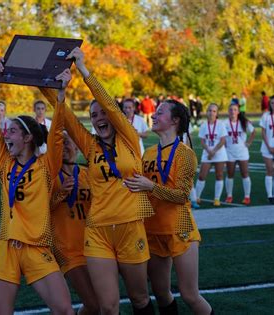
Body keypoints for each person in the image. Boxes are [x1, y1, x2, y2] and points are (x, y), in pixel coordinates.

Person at [38, 47, 155, 314]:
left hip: (130, 227)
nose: (99, 118)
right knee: (107, 306)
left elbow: (111, 106)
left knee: (139, 299)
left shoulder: (129, 140)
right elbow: (66, 118)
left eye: (102, 114)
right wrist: (48, 85)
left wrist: (83, 69)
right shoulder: (90, 147)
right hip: (98, 231)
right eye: (94, 116)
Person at [0, 61, 73, 314]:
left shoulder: (46, 165)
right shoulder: (5, 162)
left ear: (28, 138)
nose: (6, 135)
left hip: (37, 248)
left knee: (65, 310)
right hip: (6, 246)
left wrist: (61, 95)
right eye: (7, 131)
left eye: (12, 131)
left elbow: (56, 133)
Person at [124, 99, 213, 314]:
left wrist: (151, 186)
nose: (153, 116)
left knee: (190, 295)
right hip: (152, 230)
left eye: (160, 112)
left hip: (179, 229)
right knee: (161, 292)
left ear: (175, 120)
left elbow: (182, 196)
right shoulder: (149, 153)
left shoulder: (185, 153)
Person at [50, 132, 99, 315]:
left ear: (77, 147)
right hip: (67, 248)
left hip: (94, 246)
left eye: (67, 143)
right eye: (60, 144)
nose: (64, 147)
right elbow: (39, 210)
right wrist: (60, 194)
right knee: (95, 304)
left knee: (100, 302)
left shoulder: (88, 173)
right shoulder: (50, 176)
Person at [194, 103, 228, 206]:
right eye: (209, 110)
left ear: (217, 113)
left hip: (219, 154)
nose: (211, 113)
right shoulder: (204, 125)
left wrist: (214, 151)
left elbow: (223, 140)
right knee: (201, 176)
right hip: (207, 153)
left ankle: (216, 199)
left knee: (219, 175)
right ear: (207, 112)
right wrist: (209, 151)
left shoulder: (221, 124)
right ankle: (197, 197)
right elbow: (203, 141)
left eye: (214, 111)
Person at [223, 103, 256, 205]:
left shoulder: (243, 122)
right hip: (230, 152)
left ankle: (247, 196)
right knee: (230, 174)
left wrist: (249, 142)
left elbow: (253, 131)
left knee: (245, 173)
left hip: (242, 152)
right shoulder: (224, 123)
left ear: (238, 111)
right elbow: (220, 135)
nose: (233, 112)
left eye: (235, 110)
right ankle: (229, 196)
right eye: (231, 110)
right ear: (228, 112)